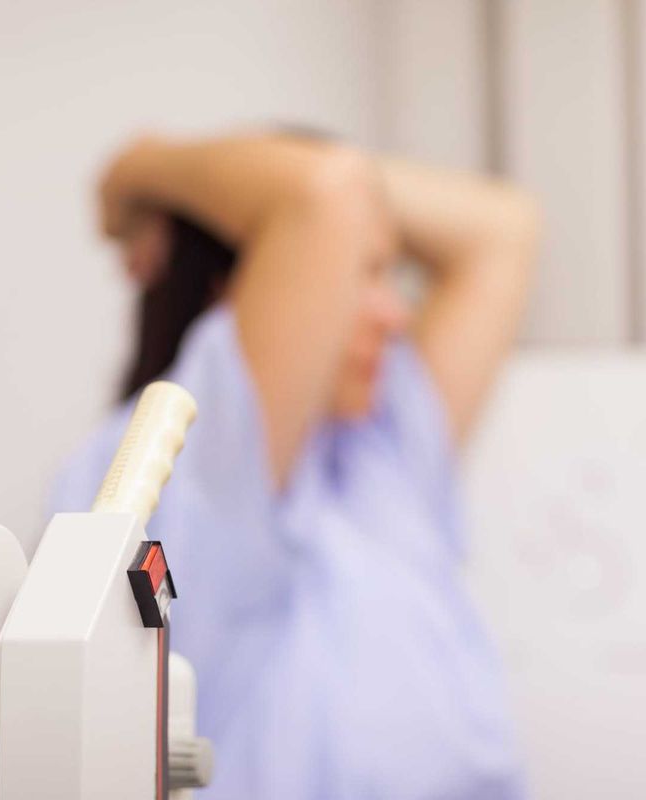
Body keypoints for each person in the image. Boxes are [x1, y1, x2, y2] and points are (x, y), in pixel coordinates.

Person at [50, 131, 539, 799]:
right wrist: (135, 173)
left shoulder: (378, 452)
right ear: (239, 291)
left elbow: (502, 228)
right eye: (364, 274)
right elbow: (323, 194)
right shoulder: (187, 461)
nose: (397, 315)